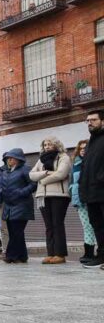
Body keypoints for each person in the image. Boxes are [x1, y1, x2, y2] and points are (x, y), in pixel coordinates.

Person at [30, 136, 72, 265]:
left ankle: (60, 254)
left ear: (56, 145)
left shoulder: (63, 157)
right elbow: (32, 175)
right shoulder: (41, 159)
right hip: (42, 196)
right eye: (45, 145)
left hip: (59, 195)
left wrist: (43, 180)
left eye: (49, 144)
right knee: (48, 226)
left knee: (57, 224)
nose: (47, 147)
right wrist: (46, 173)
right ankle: (51, 253)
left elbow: (61, 174)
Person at [0, 149, 36, 264]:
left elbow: (33, 184)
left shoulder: (25, 169)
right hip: (9, 206)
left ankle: (11, 255)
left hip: (22, 205)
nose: (9, 160)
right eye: (7, 158)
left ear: (18, 159)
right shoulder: (6, 172)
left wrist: (21, 192)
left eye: (12, 158)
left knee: (17, 231)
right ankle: (22, 256)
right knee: (14, 232)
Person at [80, 109, 104, 269]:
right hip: (91, 193)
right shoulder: (90, 142)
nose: (90, 123)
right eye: (88, 120)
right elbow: (85, 167)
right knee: (97, 225)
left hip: (102, 190)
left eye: (94, 120)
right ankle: (101, 255)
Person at [70, 140, 97, 264]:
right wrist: (73, 195)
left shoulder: (94, 162)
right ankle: (88, 253)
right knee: (87, 226)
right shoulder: (76, 164)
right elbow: (72, 183)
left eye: (85, 148)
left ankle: (99, 252)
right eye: (80, 148)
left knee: (97, 226)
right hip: (81, 201)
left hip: (93, 199)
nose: (82, 150)